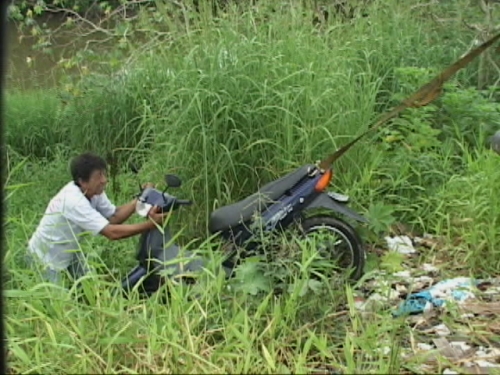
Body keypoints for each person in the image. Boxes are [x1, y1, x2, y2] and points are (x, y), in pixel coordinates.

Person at [27, 152, 168, 285]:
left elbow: (114, 217)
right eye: (98, 176)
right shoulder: (73, 201)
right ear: (82, 181)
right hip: (45, 258)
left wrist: (142, 197)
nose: (104, 180)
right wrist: (151, 225)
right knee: (57, 305)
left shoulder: (94, 192)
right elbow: (111, 232)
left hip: (70, 251)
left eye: (104, 174)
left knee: (90, 291)